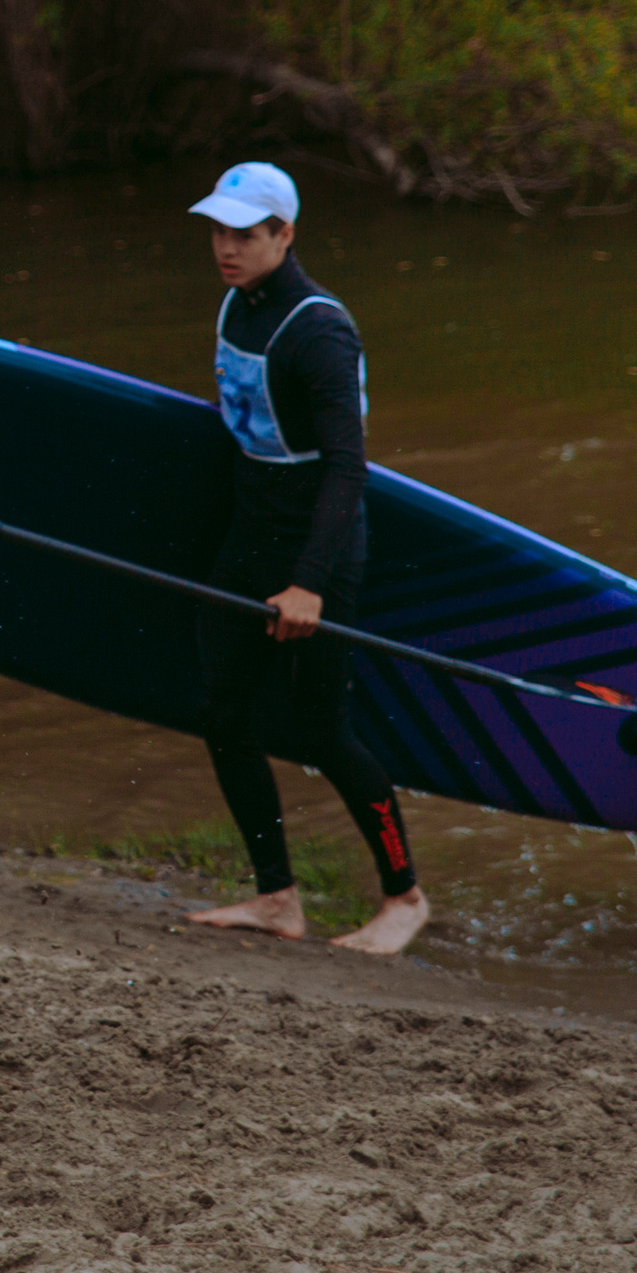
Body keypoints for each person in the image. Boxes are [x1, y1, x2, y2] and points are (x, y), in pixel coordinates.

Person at [180, 161, 431, 955]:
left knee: (322, 731)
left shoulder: (320, 330)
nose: (226, 247)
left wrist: (309, 584)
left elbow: (348, 468)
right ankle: (277, 897)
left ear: (284, 235)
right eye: (218, 231)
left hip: (318, 554)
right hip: (249, 540)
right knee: (222, 713)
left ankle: (405, 896)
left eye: (244, 235)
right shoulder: (237, 303)